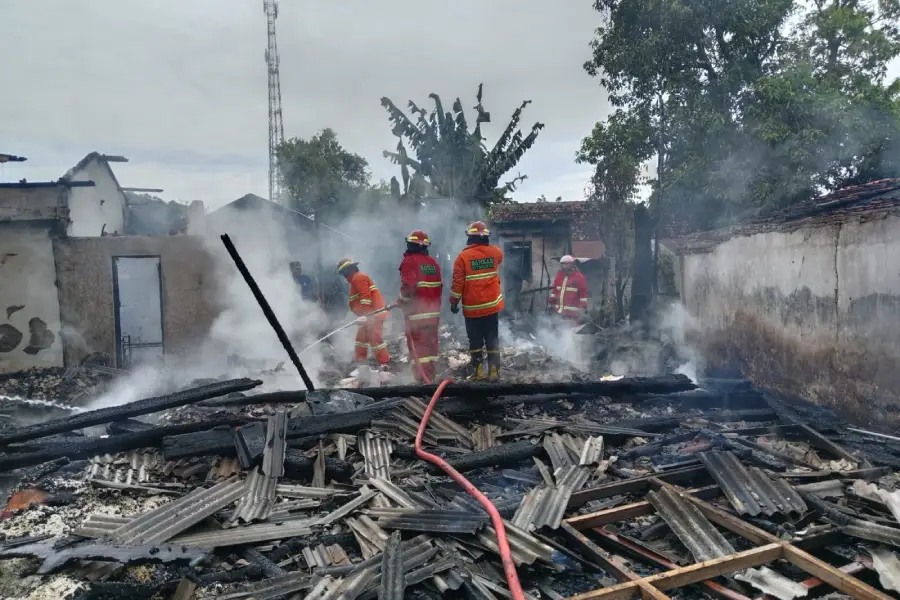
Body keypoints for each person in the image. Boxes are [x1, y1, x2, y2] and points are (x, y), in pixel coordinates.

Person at [449, 221, 504, 381]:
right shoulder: (496, 253)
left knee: (475, 341)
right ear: (486, 237)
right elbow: (498, 259)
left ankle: (479, 372)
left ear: (469, 238)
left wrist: (454, 303)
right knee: (492, 338)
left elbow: (457, 284)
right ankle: (494, 372)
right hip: (492, 307)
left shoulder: (462, 257)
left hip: (472, 310)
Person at [397, 230, 443, 382]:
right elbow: (438, 288)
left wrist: (402, 300)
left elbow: (409, 286)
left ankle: (422, 381)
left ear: (410, 244)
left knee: (419, 348)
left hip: (417, 315)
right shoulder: (433, 263)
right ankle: (432, 377)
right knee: (431, 347)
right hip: (433, 314)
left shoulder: (409, 261)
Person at [337, 258, 390, 368]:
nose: (344, 276)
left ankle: (384, 363)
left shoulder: (359, 278)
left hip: (373, 315)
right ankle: (360, 362)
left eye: (343, 273)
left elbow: (366, 298)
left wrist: (365, 315)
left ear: (347, 271)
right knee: (360, 339)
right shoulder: (355, 280)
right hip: (367, 316)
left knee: (375, 338)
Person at [547, 255, 589, 324]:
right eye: (562, 264)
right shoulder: (559, 275)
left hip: (572, 315)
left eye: (565, 264)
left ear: (572, 264)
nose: (563, 265)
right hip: (559, 312)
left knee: (569, 332)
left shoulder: (579, 277)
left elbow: (583, 294)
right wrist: (551, 302)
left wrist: (582, 308)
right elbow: (555, 291)